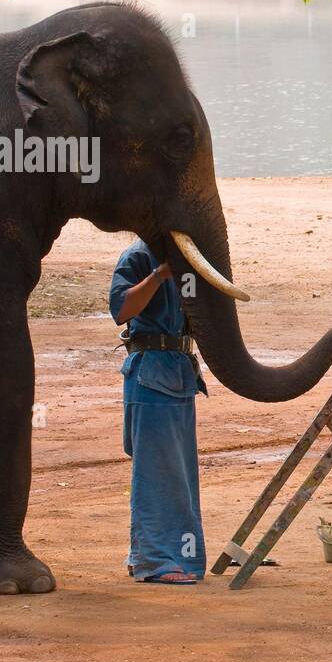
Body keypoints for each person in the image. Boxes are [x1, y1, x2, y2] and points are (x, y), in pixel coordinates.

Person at [109, 238, 207, 584]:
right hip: (150, 372)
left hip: (178, 372)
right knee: (158, 471)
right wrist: (159, 276)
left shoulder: (189, 258)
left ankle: (145, 555)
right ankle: (160, 561)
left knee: (177, 472)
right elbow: (120, 310)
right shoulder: (137, 257)